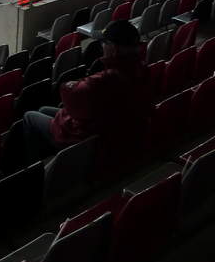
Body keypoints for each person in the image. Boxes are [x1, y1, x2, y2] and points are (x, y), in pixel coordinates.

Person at [23, 20, 150, 161]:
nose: (102, 47)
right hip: (115, 128)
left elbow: (69, 95)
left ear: (113, 48)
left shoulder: (104, 80)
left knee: (29, 116)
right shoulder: (142, 69)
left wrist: (71, 85)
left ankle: (37, 166)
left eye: (104, 43)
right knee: (43, 110)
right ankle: (52, 157)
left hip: (91, 140)